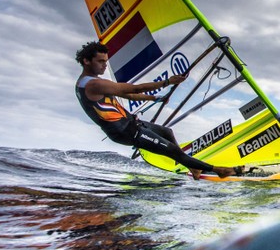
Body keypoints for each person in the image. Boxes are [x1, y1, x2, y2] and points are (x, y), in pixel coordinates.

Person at [74, 41, 236, 180]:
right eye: (100, 61)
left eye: (105, 61)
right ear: (86, 61)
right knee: (173, 151)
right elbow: (136, 89)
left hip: (131, 124)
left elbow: (129, 95)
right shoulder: (94, 85)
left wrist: (154, 98)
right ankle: (218, 170)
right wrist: (167, 82)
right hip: (126, 131)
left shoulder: (89, 82)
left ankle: (192, 166)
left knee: (167, 132)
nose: (104, 65)